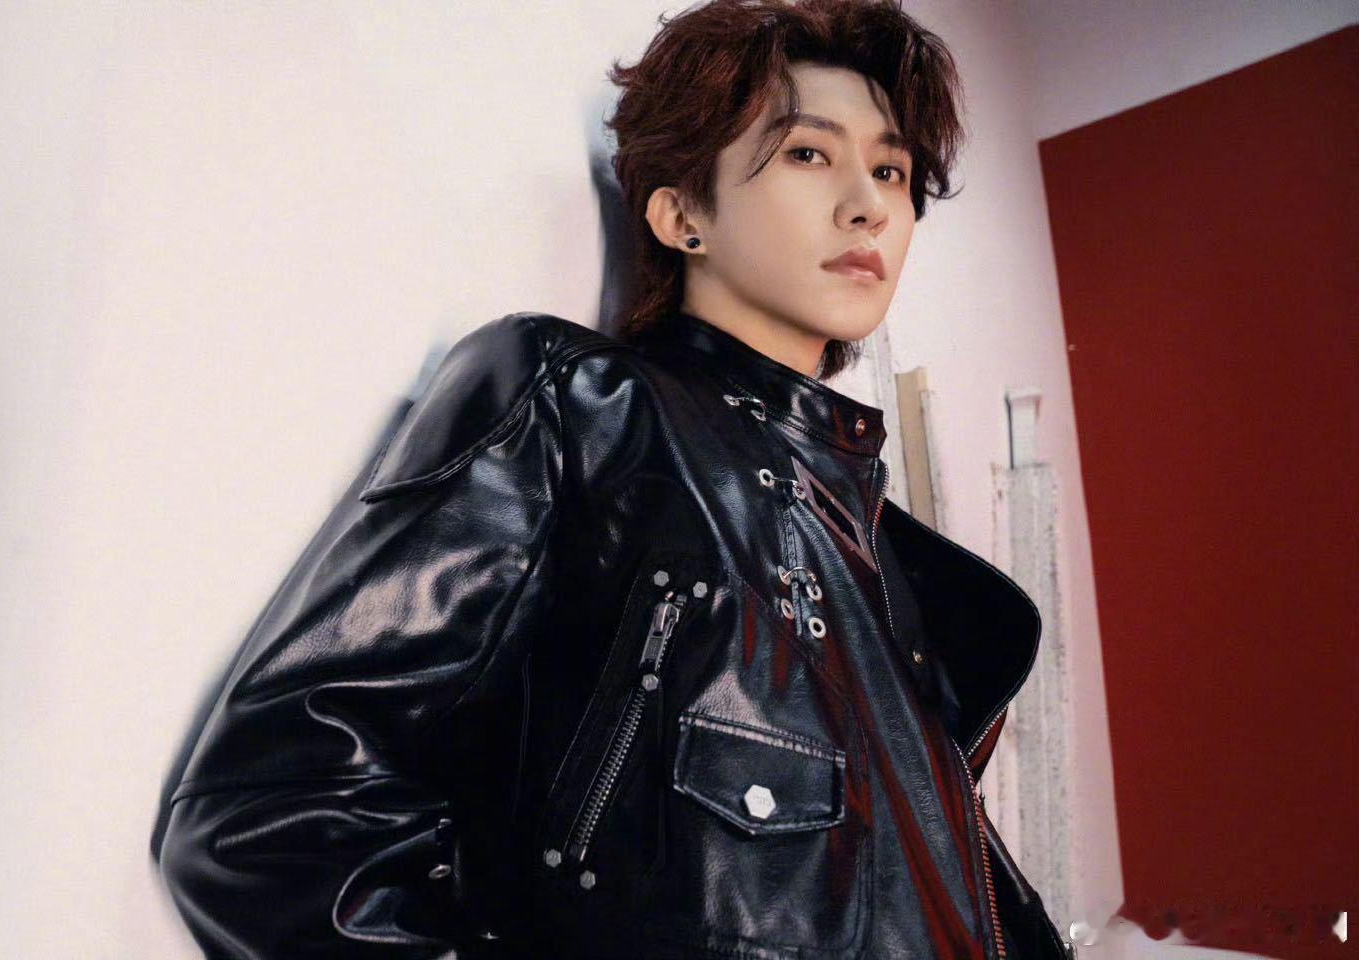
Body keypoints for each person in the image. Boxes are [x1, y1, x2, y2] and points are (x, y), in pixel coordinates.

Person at [153, 0, 1071, 957]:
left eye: (891, 171)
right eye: (808, 153)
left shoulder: (884, 551)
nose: (869, 205)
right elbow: (272, 819)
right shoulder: (585, 405)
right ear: (681, 215)